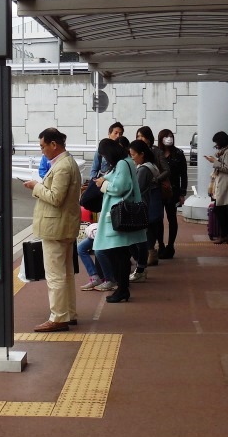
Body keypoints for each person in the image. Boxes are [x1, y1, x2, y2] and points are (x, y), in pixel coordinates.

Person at [23, 127, 83, 332]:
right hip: (64, 226)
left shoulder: (62, 166)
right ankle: (68, 313)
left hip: (55, 227)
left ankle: (58, 316)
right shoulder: (67, 162)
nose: (42, 151)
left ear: (53, 145)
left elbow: (56, 198)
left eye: (43, 146)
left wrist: (36, 187)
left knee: (55, 274)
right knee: (66, 273)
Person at [93, 138, 146, 303]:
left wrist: (103, 183)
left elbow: (119, 187)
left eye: (104, 155)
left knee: (118, 253)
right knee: (120, 253)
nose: (104, 159)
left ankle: (122, 289)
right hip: (120, 214)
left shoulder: (122, 163)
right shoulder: (125, 162)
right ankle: (122, 288)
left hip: (118, 215)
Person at [128, 140, 163, 282]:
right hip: (144, 206)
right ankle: (140, 266)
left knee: (137, 239)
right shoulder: (150, 166)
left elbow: (136, 188)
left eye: (133, 155)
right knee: (139, 238)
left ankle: (140, 267)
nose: (132, 158)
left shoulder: (143, 169)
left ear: (142, 154)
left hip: (139, 208)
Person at [134, 126, 167, 264]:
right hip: (146, 192)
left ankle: (153, 250)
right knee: (147, 222)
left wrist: (155, 179)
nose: (140, 138)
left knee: (153, 221)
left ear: (149, 137)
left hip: (153, 191)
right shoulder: (136, 152)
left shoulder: (156, 152)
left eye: (142, 136)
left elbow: (166, 170)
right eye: (138, 136)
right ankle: (149, 251)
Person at [156, 128, 187, 258]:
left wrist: (182, 193)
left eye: (171, 136)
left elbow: (183, 174)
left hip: (173, 191)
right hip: (158, 190)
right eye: (166, 136)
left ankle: (170, 245)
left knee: (172, 218)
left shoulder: (178, 154)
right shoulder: (156, 153)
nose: (169, 139)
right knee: (158, 219)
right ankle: (161, 245)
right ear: (160, 139)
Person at [206, 132, 228, 243]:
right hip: (222, 183)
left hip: (225, 183)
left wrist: (214, 161)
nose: (216, 145)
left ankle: (224, 234)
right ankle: (225, 234)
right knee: (221, 209)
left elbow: (227, 168)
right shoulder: (225, 152)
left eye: (217, 143)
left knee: (219, 209)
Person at [78, 223, 107, 291]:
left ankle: (109, 279)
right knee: (81, 248)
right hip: (99, 230)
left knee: (98, 251)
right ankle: (95, 277)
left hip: (108, 229)